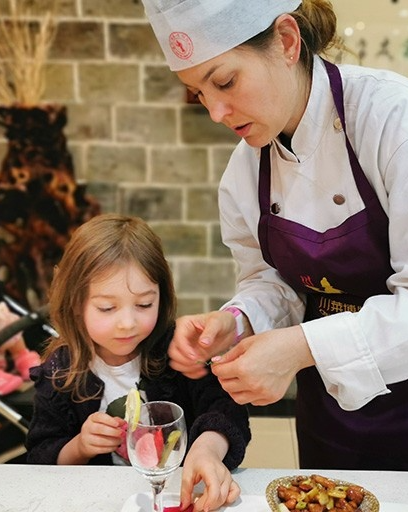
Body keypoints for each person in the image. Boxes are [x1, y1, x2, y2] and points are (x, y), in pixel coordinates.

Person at [141, 0, 408, 472]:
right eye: (197, 93)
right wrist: (236, 321)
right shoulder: (245, 171)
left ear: (288, 41)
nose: (215, 111)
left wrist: (300, 347)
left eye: (225, 81)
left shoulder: (405, 125)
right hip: (330, 391)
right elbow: (271, 281)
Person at [25, 214, 250, 512]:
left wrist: (207, 449)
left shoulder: (174, 350)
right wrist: (79, 446)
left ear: (162, 296)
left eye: (144, 304)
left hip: (180, 494)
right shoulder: (60, 371)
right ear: (76, 304)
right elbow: (39, 457)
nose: (127, 323)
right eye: (107, 308)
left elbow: (226, 408)